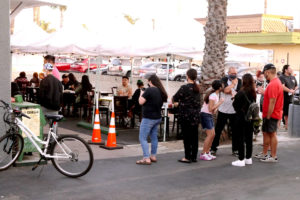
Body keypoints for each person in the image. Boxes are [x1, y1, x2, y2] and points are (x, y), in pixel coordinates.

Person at [136, 74, 168, 165]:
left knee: (142, 137)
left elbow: (140, 102)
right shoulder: (161, 91)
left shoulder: (149, 90)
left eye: (148, 82)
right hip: (157, 117)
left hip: (148, 118)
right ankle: (153, 156)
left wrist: (141, 93)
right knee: (154, 137)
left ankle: (146, 158)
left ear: (150, 81)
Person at [210, 67, 242, 156]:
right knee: (218, 130)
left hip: (234, 111)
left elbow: (239, 93)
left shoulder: (240, 81)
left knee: (235, 131)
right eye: (232, 73)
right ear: (228, 73)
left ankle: (235, 149)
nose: (233, 75)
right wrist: (232, 85)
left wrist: (230, 90)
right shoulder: (223, 80)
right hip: (223, 110)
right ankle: (213, 148)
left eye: (235, 73)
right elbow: (224, 90)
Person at [173, 69, 202, 163]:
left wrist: (178, 104)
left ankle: (187, 157)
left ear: (188, 76)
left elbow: (175, 98)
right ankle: (194, 156)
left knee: (187, 137)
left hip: (186, 116)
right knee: (194, 137)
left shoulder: (184, 88)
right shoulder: (197, 88)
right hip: (195, 116)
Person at [259, 64, 283, 163]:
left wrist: (268, 116)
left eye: (264, 73)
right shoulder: (275, 82)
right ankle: (269, 155)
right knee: (270, 134)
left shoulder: (273, 84)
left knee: (272, 134)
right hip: (272, 113)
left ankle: (273, 156)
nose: (264, 75)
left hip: (272, 114)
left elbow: (272, 101)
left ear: (267, 72)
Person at [231, 74, 257, 167]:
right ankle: (248, 158)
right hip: (250, 118)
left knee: (240, 138)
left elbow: (235, 106)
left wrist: (234, 98)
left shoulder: (241, 92)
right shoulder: (253, 92)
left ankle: (241, 159)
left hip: (240, 118)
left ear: (244, 81)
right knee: (249, 138)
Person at [199, 80, 224, 161]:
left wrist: (216, 108)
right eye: (222, 85)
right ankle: (203, 153)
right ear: (219, 88)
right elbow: (210, 109)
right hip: (205, 115)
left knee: (213, 135)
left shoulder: (216, 94)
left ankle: (207, 152)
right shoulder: (213, 95)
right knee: (210, 135)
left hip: (208, 115)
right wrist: (220, 103)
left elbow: (212, 109)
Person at [279, 64, 298, 130]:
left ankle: (289, 125)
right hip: (284, 97)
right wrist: (289, 90)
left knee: (292, 111)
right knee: (285, 112)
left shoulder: (292, 77)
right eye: (290, 68)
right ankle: (286, 125)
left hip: (292, 97)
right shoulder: (282, 77)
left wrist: (294, 90)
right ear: (286, 70)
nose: (291, 69)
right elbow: (282, 87)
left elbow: (296, 85)